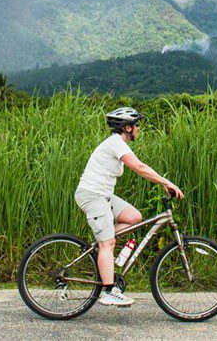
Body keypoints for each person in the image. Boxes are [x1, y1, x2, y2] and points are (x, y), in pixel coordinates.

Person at [75, 107, 184, 307]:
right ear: (127, 127)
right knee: (108, 244)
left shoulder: (118, 144)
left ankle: (103, 242)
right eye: (136, 125)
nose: (138, 129)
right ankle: (108, 291)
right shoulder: (116, 144)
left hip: (104, 195)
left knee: (134, 217)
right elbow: (140, 167)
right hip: (92, 195)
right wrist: (166, 183)